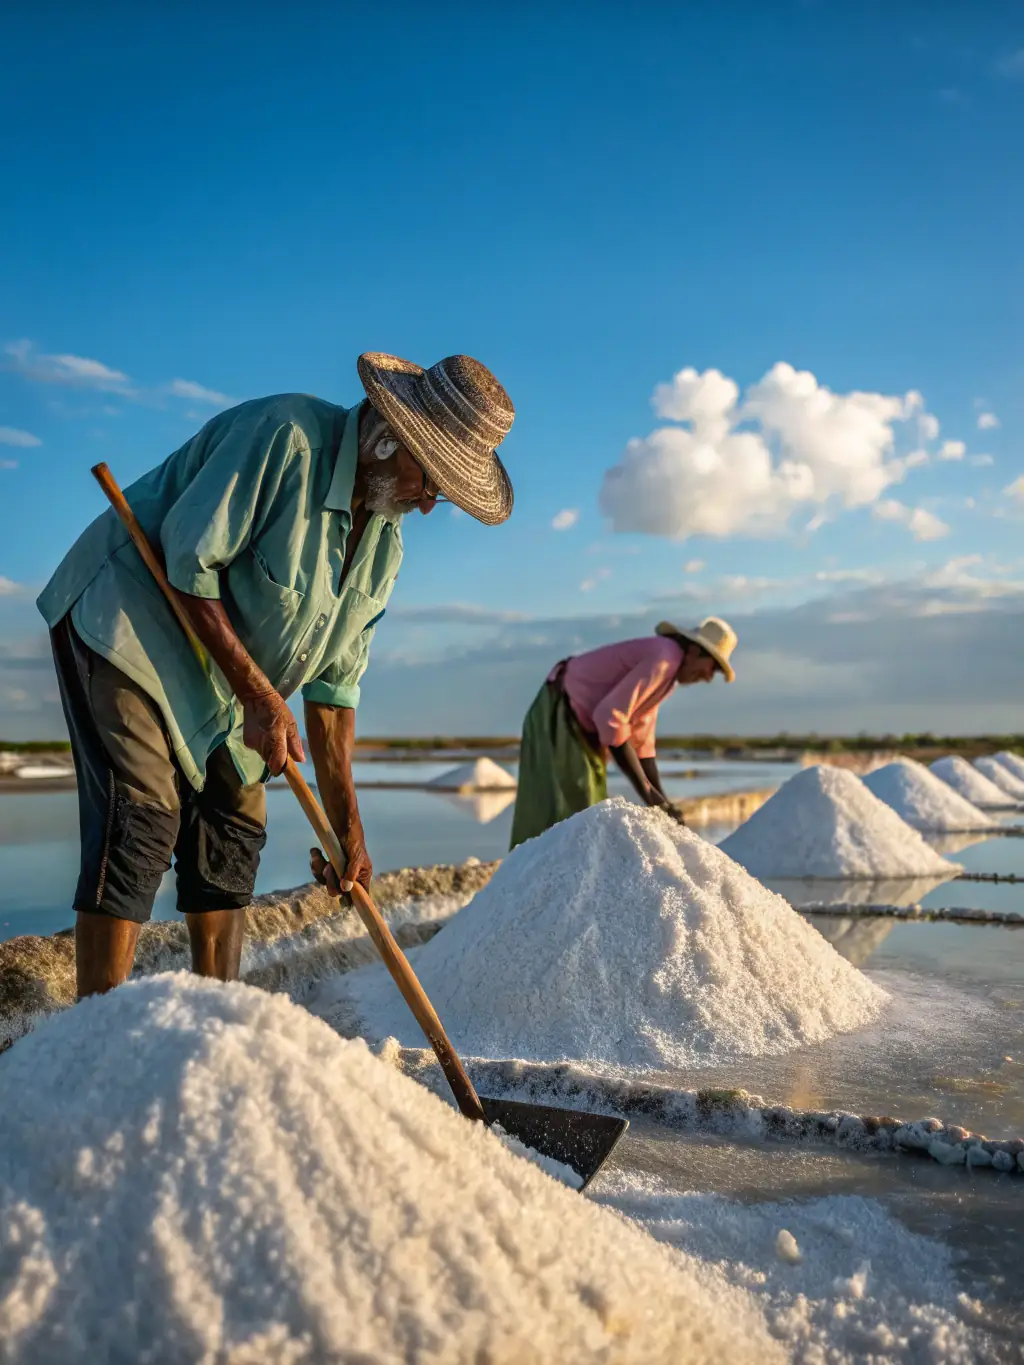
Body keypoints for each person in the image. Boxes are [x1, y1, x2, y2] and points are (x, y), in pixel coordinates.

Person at [37, 352, 515, 998]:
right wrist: (260, 695)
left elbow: (334, 693)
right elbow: (186, 556)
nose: (428, 505)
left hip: (225, 686)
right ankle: (93, 1046)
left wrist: (348, 824)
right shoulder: (285, 439)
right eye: (429, 479)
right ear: (385, 437)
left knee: (234, 831)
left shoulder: (385, 548)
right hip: (130, 618)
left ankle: (216, 1028)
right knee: (142, 820)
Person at [509, 618, 737, 849]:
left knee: (586, 812)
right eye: (713, 667)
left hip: (580, 726)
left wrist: (662, 801)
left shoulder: (668, 675)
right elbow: (609, 717)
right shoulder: (664, 657)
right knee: (570, 811)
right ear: (694, 650)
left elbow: (642, 743)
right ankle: (530, 878)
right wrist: (649, 795)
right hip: (559, 710)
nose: (708, 677)